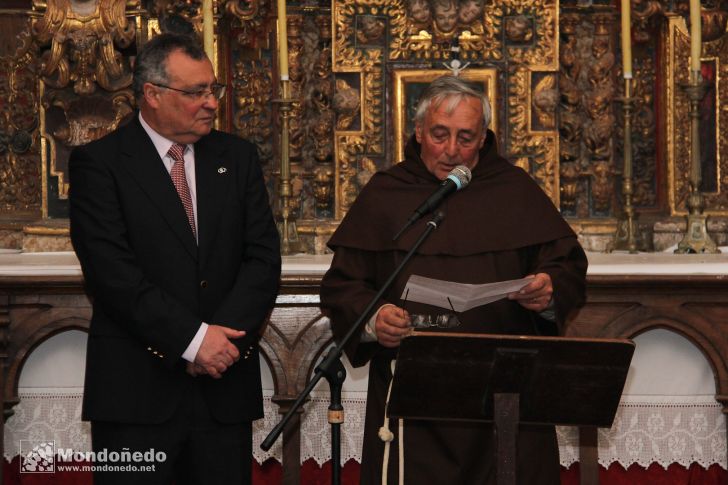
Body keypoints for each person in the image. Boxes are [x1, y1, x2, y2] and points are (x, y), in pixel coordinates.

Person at [320, 75, 587, 485]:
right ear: (419, 131)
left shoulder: (514, 190)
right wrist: (376, 319)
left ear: (484, 138)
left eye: (466, 138)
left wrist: (549, 290)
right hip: (416, 394)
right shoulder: (387, 193)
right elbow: (343, 285)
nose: (450, 151)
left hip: (506, 387)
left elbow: (566, 265)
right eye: (440, 135)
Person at [69, 33, 281, 485]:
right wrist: (192, 340)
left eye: (213, 89)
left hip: (223, 392)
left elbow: (263, 259)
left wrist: (220, 347)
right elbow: (112, 274)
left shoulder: (237, 157)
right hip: (135, 395)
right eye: (195, 92)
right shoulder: (99, 164)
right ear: (152, 94)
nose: (210, 103)